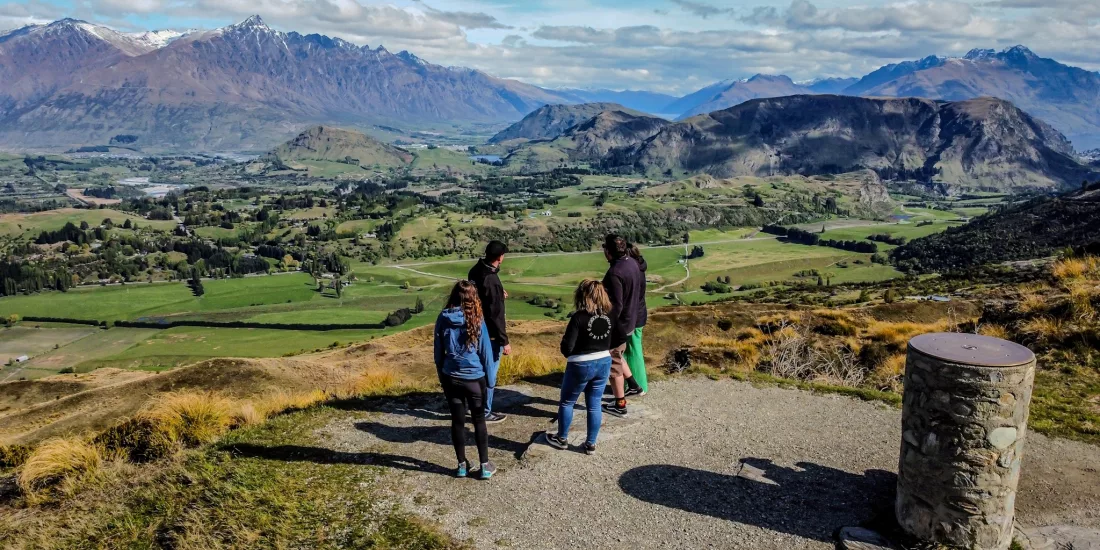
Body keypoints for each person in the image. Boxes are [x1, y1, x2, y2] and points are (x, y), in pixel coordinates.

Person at [433, 280, 497, 480]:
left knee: (457, 422)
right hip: (474, 378)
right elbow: (486, 353)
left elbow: (438, 353)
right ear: (473, 298)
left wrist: (442, 376)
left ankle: (461, 465)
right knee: (479, 421)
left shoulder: (442, 318)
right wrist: (490, 381)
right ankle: (484, 466)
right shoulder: (477, 319)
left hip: (451, 377)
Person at [545, 279, 614, 455]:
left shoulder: (579, 317)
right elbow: (618, 337)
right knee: (594, 404)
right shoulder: (610, 315)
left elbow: (567, 347)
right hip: (604, 360)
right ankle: (590, 443)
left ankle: (562, 438)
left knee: (567, 402)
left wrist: (574, 356)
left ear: (582, 295)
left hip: (580, 363)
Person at [600, 234, 643, 417]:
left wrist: (605, 325)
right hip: (631, 319)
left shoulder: (614, 272)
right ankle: (634, 385)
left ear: (608, 252)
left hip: (619, 324)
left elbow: (616, 304)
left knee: (613, 362)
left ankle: (620, 405)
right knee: (619, 353)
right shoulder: (632, 263)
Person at [468, 241, 510, 423]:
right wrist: (504, 340)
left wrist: (498, 293)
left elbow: (481, 297)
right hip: (489, 331)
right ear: (500, 257)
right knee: (490, 371)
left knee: (477, 369)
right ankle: (484, 411)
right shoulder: (491, 280)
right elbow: (496, 315)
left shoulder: (475, 271)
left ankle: (473, 405)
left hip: (473, 326)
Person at [623, 243, 649, 396]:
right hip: (639, 313)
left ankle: (638, 386)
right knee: (632, 349)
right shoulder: (639, 268)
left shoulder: (632, 270)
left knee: (633, 350)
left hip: (634, 316)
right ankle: (633, 384)